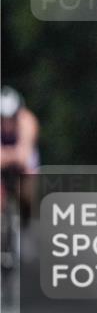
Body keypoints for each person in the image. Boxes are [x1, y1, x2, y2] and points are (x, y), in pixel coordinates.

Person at [0, 86, 40, 221]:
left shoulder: (28, 121)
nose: (7, 123)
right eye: (2, 118)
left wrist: (6, 155)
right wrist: (14, 154)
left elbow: (23, 157)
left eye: (11, 117)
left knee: (27, 193)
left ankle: (30, 223)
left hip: (24, 169)